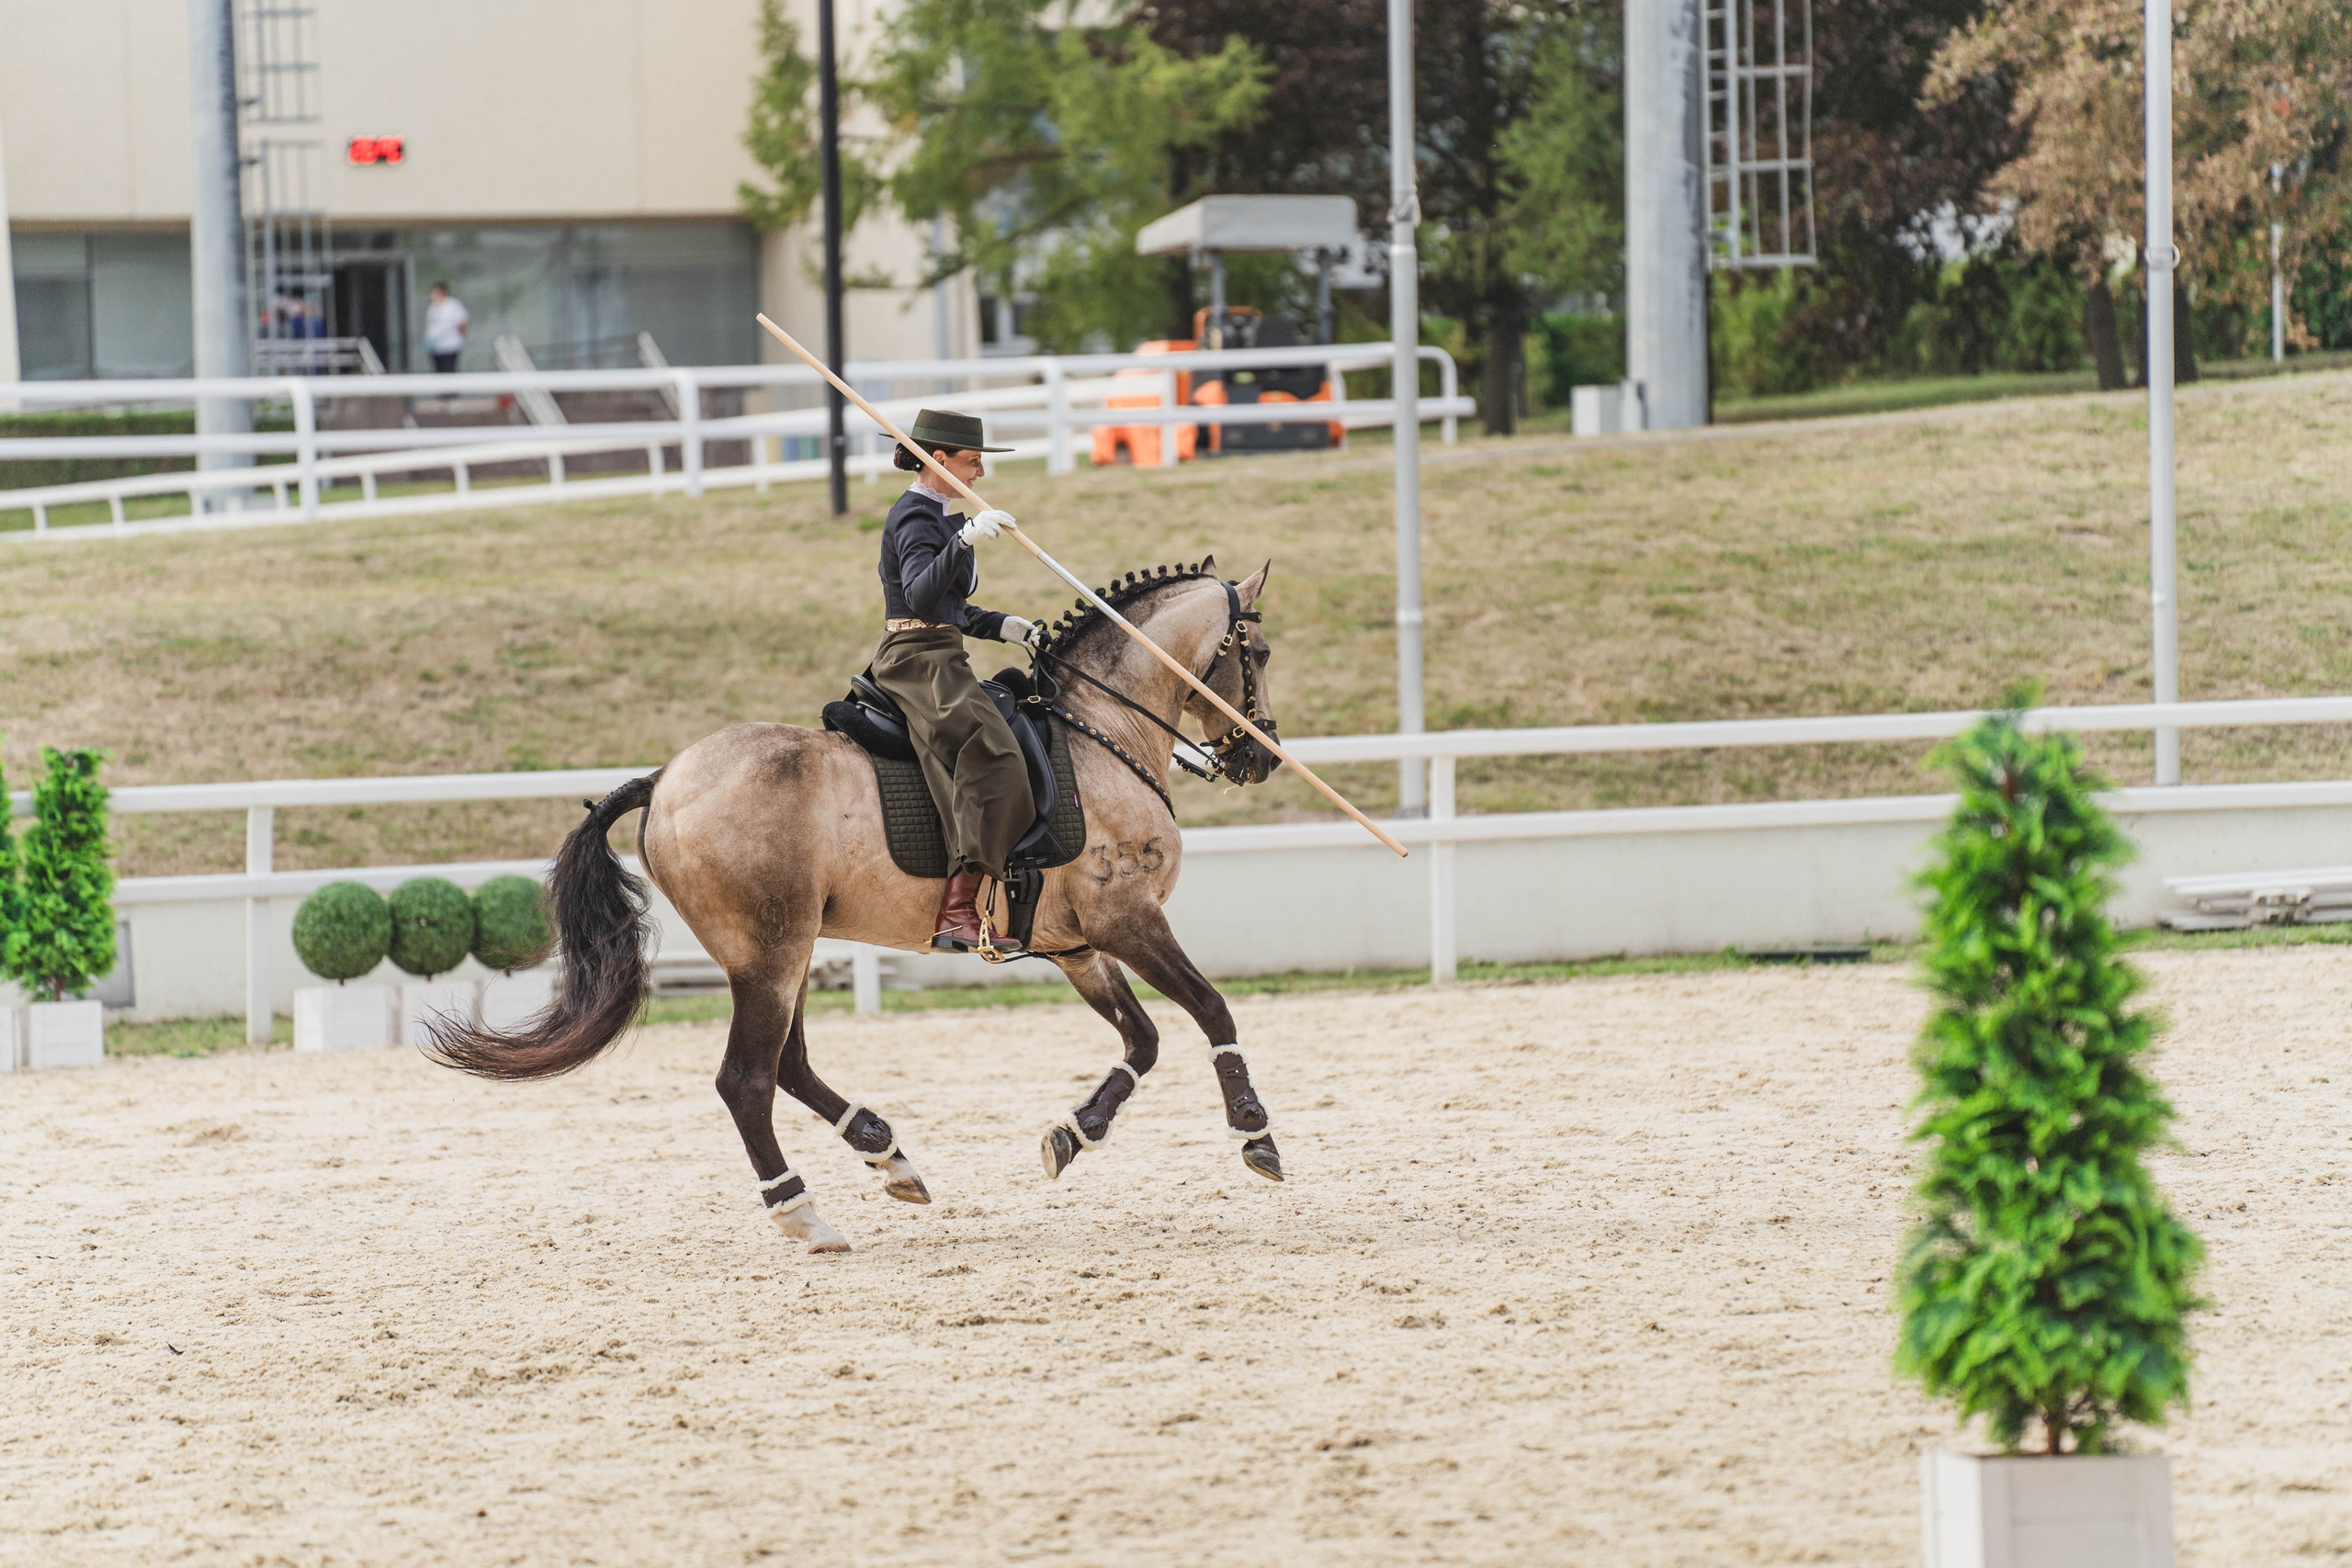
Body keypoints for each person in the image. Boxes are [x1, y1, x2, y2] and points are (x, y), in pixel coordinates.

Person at [871, 410, 1041, 951]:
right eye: (972, 463)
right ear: (936, 459)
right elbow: (920, 597)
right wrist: (964, 541)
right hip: (917, 662)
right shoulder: (916, 516)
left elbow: (950, 609)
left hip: (942, 650)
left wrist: (1004, 626)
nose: (979, 475)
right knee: (997, 756)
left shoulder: (942, 517)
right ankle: (957, 907)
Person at [424, 282, 469, 373]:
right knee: (438, 371)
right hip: (436, 347)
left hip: (450, 346)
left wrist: (458, 337)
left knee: (448, 371)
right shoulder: (433, 307)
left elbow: (463, 322)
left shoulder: (453, 305)